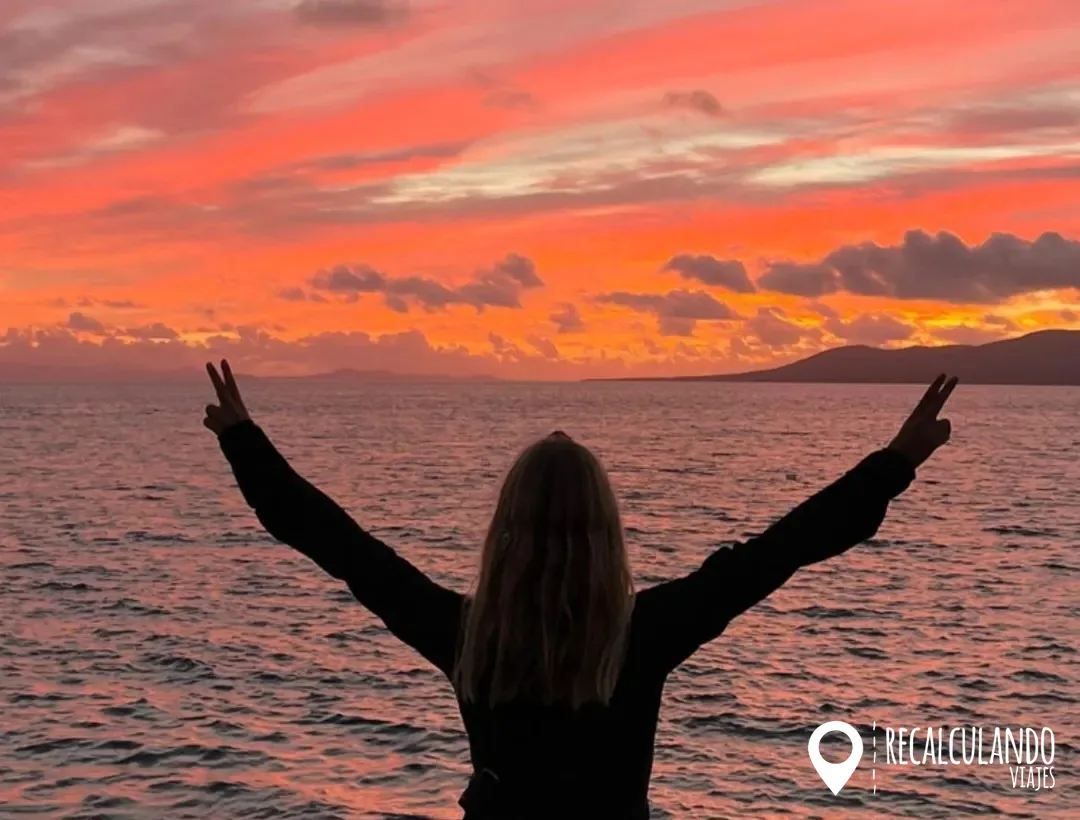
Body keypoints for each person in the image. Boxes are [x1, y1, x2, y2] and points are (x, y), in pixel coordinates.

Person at [203, 360, 958, 819]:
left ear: (507, 527)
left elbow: (339, 545)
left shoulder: (466, 636)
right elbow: (781, 550)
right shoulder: (645, 634)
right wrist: (897, 460)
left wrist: (244, 440)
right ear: (606, 529)